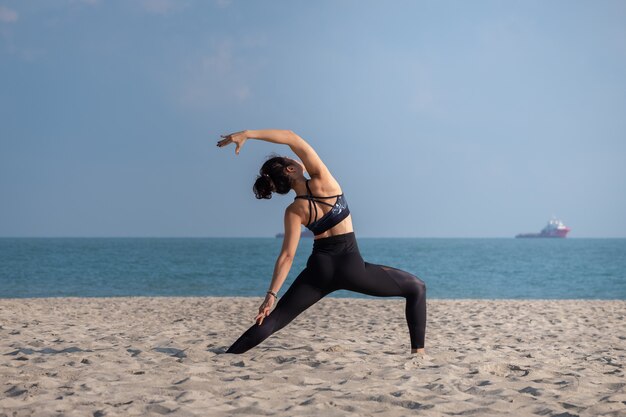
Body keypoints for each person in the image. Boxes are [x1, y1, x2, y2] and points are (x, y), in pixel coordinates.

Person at [216, 129, 426, 354]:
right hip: (351, 268)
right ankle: (418, 354)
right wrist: (248, 134)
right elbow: (291, 137)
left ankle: (228, 355)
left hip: (319, 270)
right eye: (291, 159)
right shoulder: (324, 181)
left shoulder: (294, 210)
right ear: (290, 169)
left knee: (275, 319)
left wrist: (271, 295)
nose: (296, 158)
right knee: (417, 288)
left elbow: (287, 256)